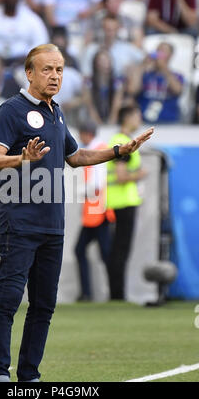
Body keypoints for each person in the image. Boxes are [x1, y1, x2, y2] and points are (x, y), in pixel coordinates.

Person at [0, 43, 153, 382]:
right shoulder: (11, 110)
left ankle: (29, 374)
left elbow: (76, 157)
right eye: (47, 69)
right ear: (29, 73)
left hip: (53, 225)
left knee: (44, 304)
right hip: (19, 222)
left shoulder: (57, 112)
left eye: (59, 69)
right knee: (9, 299)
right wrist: (22, 159)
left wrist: (119, 150)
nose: (55, 76)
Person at [106, 105, 147, 300]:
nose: (139, 119)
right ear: (127, 118)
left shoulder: (120, 140)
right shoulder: (122, 142)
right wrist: (140, 174)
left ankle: (117, 294)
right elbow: (121, 177)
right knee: (120, 250)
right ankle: (117, 296)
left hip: (122, 202)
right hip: (123, 202)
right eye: (137, 115)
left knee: (119, 250)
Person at [74, 122, 115, 301]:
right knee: (87, 250)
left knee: (103, 253)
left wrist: (80, 191)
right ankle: (89, 293)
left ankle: (107, 293)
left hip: (99, 212)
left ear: (86, 133)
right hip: (96, 212)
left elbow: (97, 183)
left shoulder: (97, 150)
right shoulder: (100, 148)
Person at [126, 41, 184, 124]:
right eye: (158, 50)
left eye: (163, 51)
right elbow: (132, 90)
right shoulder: (145, 75)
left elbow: (177, 90)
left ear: (170, 55)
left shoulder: (177, 76)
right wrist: (142, 65)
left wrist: (164, 68)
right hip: (144, 121)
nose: (159, 53)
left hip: (169, 121)